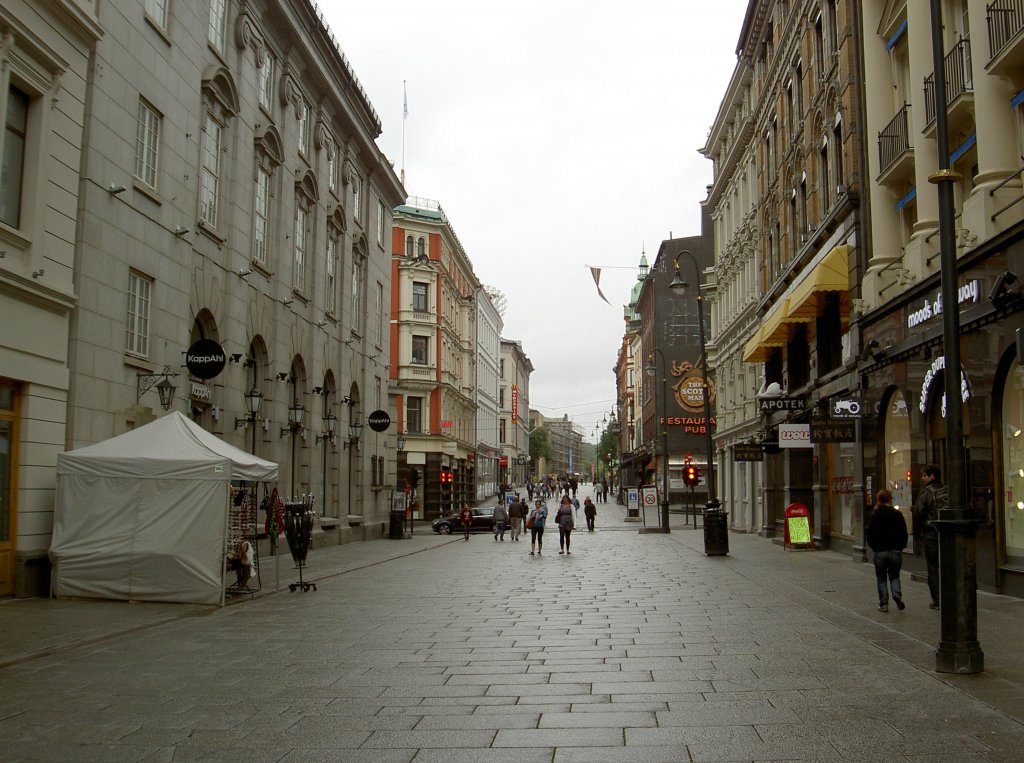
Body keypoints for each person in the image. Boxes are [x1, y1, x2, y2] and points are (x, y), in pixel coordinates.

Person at [866, 489, 908, 613]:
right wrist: (900, 546)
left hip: (880, 551)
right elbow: (903, 533)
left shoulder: (875, 514)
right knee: (895, 576)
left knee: (881, 578)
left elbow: (869, 533)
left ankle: (884, 604)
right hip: (895, 550)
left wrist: (874, 546)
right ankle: (896, 594)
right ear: (890, 499)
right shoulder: (897, 514)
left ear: (878, 499)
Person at [914, 464, 944, 609]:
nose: (922, 478)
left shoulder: (926, 492)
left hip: (931, 532)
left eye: (924, 475)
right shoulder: (947, 490)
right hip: (946, 533)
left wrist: (918, 535)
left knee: (933, 567)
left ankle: (937, 600)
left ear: (932, 476)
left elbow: (919, 513)